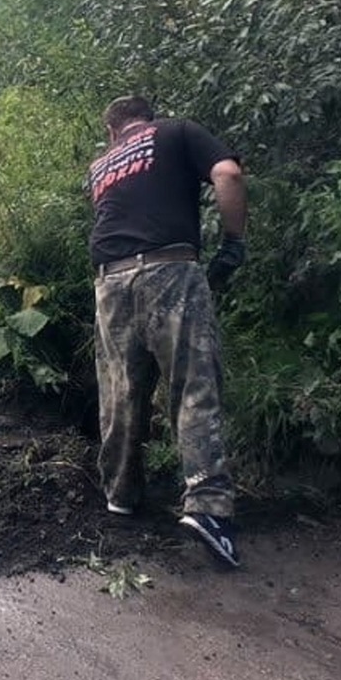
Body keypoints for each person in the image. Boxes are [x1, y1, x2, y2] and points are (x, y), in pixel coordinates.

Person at [85, 95, 248, 568]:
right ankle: (209, 509)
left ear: (113, 131)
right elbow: (229, 174)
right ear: (146, 121)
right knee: (193, 386)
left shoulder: (101, 165)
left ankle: (121, 494)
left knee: (120, 392)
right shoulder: (177, 132)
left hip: (109, 281)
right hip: (169, 270)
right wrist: (234, 243)